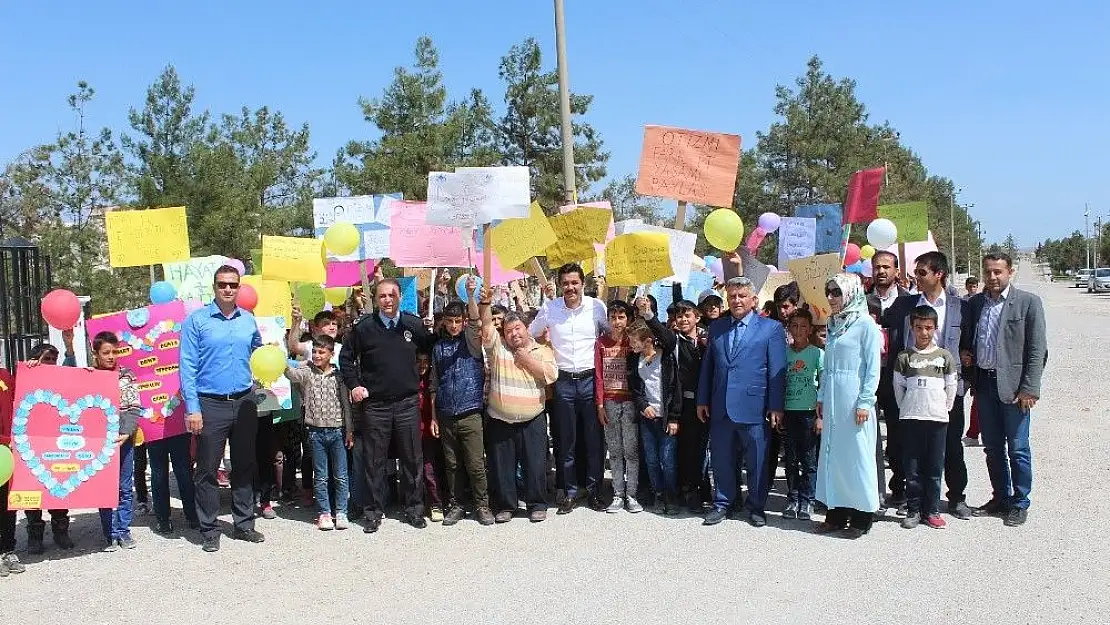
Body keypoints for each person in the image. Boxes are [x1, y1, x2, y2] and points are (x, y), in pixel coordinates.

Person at [180, 264, 265, 553]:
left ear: (239, 287)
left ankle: (244, 524)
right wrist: (192, 408)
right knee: (206, 469)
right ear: (214, 287)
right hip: (209, 404)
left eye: (233, 284)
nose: (228, 289)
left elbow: (259, 351)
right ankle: (210, 529)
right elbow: (187, 367)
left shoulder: (249, 320)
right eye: (222, 284)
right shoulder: (197, 321)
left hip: (244, 402)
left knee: (244, 465)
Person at [883, 251, 973, 520]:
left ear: (939, 274)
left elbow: (969, 344)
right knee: (910, 449)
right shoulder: (902, 306)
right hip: (913, 391)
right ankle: (913, 500)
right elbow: (894, 342)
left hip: (947, 392)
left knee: (951, 447)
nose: (916, 278)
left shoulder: (961, 307)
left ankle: (956, 498)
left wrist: (963, 379)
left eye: (922, 272)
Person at [340, 278, 434, 533]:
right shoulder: (364, 328)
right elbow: (345, 358)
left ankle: (414, 508)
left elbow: (431, 348)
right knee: (374, 461)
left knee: (412, 459)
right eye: (382, 296)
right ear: (376, 299)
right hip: (376, 406)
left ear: (399, 297)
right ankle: (373, 512)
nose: (387, 300)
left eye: (392, 295)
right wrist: (354, 385)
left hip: (407, 403)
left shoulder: (413, 325)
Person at [961, 253, 1047, 527]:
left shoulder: (1028, 303)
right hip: (984, 384)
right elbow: (968, 338)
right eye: (988, 272)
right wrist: (966, 354)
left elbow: (1037, 350)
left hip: (1014, 389)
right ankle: (1000, 497)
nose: (993, 277)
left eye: (998, 272)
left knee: (1018, 448)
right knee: (993, 447)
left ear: (1010, 272)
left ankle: (1020, 502)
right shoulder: (975, 304)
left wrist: (1029, 389)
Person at [697, 277, 786, 528]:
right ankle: (724, 503)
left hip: (755, 406)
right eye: (733, 296)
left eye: (742, 296)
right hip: (721, 405)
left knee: (757, 460)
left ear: (753, 300)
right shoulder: (716, 328)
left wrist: (776, 406)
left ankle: (756, 506)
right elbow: (709, 367)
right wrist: (702, 399)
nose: (736, 300)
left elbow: (777, 371)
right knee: (722, 458)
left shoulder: (771, 329)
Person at [529, 263, 608, 514]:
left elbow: (609, 335)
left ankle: (595, 490)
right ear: (560, 285)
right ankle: (570, 492)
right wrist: (543, 344)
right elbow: (532, 334)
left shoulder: (597, 307)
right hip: (562, 381)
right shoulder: (550, 309)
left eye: (575, 283)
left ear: (583, 283)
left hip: (590, 380)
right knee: (566, 440)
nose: (570, 288)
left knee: (594, 439)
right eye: (566, 283)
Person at [480, 286, 558, 523]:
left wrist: (526, 359)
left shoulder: (541, 350)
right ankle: (506, 505)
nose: (513, 334)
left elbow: (550, 375)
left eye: (518, 328)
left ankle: (537, 503)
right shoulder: (498, 348)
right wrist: (484, 304)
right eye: (508, 330)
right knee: (502, 467)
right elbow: (485, 329)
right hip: (500, 418)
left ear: (526, 329)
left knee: (534, 465)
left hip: (532, 418)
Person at [814, 274, 883, 538]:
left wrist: (865, 401)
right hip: (833, 399)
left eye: (836, 292)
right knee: (834, 455)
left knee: (857, 456)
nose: (831, 297)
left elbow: (872, 368)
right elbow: (828, 366)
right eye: (828, 292)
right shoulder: (833, 324)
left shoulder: (865, 324)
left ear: (851, 293)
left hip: (855, 398)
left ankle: (862, 516)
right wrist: (821, 396)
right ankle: (837, 512)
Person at [430, 285, 494, 527]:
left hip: (470, 412)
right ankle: (456, 505)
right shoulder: (438, 348)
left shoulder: (471, 343)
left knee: (476, 463)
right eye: (450, 321)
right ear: (444, 322)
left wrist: (470, 296)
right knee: (452, 465)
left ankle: (482, 505)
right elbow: (434, 385)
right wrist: (435, 417)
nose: (454, 325)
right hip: (446, 414)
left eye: (458, 321)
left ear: (463, 321)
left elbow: (476, 323)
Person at [893, 306, 958, 530]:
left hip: (937, 419)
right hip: (911, 417)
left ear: (935, 328)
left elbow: (951, 385)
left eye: (928, 328)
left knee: (933, 467)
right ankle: (913, 510)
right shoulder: (905, 357)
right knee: (912, 468)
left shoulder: (944, 357)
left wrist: (944, 408)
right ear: (911, 328)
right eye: (919, 328)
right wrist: (908, 408)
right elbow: (898, 387)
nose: (923, 333)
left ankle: (931, 510)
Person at [284, 335, 354, 531]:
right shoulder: (306, 373)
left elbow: (346, 406)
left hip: (338, 432)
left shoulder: (339, 377)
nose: (316, 355)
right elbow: (290, 373)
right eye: (314, 351)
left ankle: (341, 512)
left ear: (331, 354)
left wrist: (349, 430)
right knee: (321, 475)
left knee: (340, 475)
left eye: (321, 352)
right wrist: (279, 357)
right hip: (315, 432)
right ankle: (324, 512)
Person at [19, 339, 78, 554]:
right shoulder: (26, 377)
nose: (51, 363)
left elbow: (74, 374)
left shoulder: (61, 378)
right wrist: (30, 368)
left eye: (54, 359)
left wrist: (70, 350)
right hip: (32, 444)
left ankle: (61, 531)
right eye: (47, 359)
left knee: (58, 486)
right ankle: (34, 535)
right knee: (32, 489)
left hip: (57, 444)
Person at [90, 331, 143, 551]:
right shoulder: (88, 375)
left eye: (114, 352)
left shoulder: (126, 375)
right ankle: (109, 533)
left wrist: (126, 431)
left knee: (124, 487)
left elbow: (134, 407)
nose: (111, 356)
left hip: (124, 440)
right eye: (106, 353)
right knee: (105, 488)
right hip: (98, 442)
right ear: (96, 353)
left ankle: (124, 531)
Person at [627, 301, 681, 515]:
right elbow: (635, 388)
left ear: (647, 340)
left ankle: (671, 495)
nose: (631, 346)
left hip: (666, 417)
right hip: (647, 417)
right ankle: (658, 493)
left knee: (667, 460)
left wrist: (675, 417)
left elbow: (675, 388)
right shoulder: (634, 359)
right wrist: (643, 406)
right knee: (651, 459)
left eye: (634, 342)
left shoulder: (665, 354)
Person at [595, 300, 641, 513]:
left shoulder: (633, 343)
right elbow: (598, 376)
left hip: (630, 402)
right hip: (610, 402)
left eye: (621, 317)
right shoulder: (601, 343)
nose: (617, 321)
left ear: (628, 319)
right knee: (614, 452)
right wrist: (600, 404)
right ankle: (617, 494)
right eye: (613, 317)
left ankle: (631, 495)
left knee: (630, 451)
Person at [782, 309, 823, 521]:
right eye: (794, 326)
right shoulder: (784, 353)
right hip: (789, 413)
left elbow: (823, 387)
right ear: (789, 328)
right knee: (790, 459)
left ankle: (808, 500)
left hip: (809, 414)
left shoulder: (817, 354)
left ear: (810, 329)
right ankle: (793, 498)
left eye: (803, 326)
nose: (799, 330)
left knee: (809, 460)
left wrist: (820, 416)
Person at [672, 299, 710, 511]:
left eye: (688, 315)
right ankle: (688, 490)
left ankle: (703, 487)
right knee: (688, 448)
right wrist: (648, 313)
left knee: (704, 449)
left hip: (708, 402)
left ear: (697, 317)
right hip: (685, 403)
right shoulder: (675, 341)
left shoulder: (707, 339)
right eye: (679, 316)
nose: (684, 319)